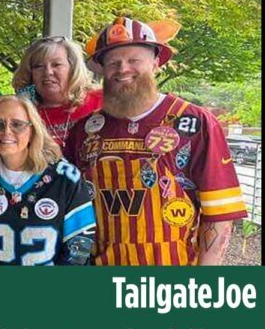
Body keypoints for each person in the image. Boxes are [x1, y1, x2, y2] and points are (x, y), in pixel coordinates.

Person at [64, 17, 247, 265]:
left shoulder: (196, 123)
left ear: (156, 62)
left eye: (134, 60)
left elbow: (220, 212)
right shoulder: (83, 131)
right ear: (103, 70)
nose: (122, 69)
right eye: (113, 63)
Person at [0, 95, 96, 266]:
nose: (7, 131)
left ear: (33, 130)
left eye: (17, 124)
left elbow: (79, 246)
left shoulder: (65, 178)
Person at [12, 35, 102, 147]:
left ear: (73, 69)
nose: (48, 72)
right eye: (38, 66)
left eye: (56, 64)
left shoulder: (102, 101)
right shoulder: (22, 113)